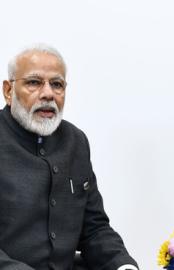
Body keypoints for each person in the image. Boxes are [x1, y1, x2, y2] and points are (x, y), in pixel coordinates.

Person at [0, 44, 139, 270]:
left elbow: (94, 229)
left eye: (57, 84)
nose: (47, 93)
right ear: (8, 91)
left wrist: (122, 265)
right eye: (34, 82)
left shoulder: (75, 141)